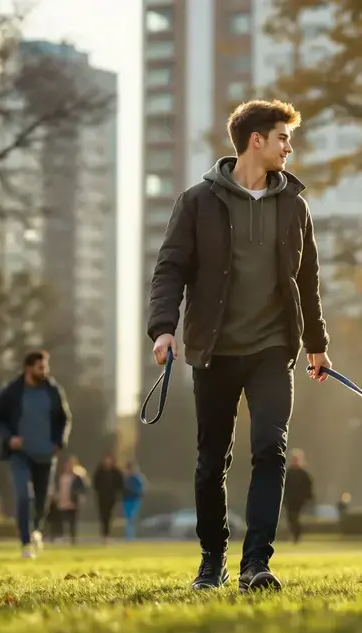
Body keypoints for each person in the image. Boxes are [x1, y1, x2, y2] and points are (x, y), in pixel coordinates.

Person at [146, 99, 332, 593]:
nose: (289, 148)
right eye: (283, 138)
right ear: (256, 140)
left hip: (273, 350)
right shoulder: (197, 202)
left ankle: (257, 563)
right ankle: (213, 560)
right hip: (215, 350)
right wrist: (163, 328)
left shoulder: (294, 204)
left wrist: (316, 343)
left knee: (270, 449)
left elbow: (307, 279)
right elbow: (170, 269)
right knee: (213, 460)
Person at [0, 350, 72, 559]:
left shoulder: (53, 390)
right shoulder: (12, 391)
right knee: (24, 496)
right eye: (41, 367)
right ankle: (26, 542)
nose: (45, 371)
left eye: (46, 367)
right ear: (29, 368)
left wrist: (59, 442)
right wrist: (9, 438)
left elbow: (65, 418)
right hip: (20, 454)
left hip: (46, 455)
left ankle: (36, 529)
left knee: (42, 501)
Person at [52, 456, 88, 544]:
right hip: (62, 502)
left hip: (72, 502)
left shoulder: (77, 478)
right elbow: (58, 488)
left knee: (72, 521)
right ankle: (60, 536)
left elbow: (82, 488)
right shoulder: (62, 477)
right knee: (61, 520)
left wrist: (78, 497)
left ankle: (73, 538)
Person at [283, 450, 314, 544]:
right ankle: (295, 534)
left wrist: (308, 497)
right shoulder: (288, 472)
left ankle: (297, 535)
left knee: (295, 516)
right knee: (290, 518)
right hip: (289, 499)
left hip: (299, 500)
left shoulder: (303, 473)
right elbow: (284, 485)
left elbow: (308, 486)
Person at [92, 454, 125, 543]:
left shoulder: (116, 472)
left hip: (111, 497)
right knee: (102, 515)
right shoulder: (100, 471)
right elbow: (95, 482)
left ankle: (107, 534)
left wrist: (117, 493)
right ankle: (103, 533)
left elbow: (120, 483)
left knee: (108, 515)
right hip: (101, 496)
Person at [122, 461, 145, 542]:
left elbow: (141, 490)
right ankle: (129, 536)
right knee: (128, 518)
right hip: (127, 499)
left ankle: (130, 536)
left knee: (131, 518)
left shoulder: (137, 478)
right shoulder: (126, 479)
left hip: (134, 500)